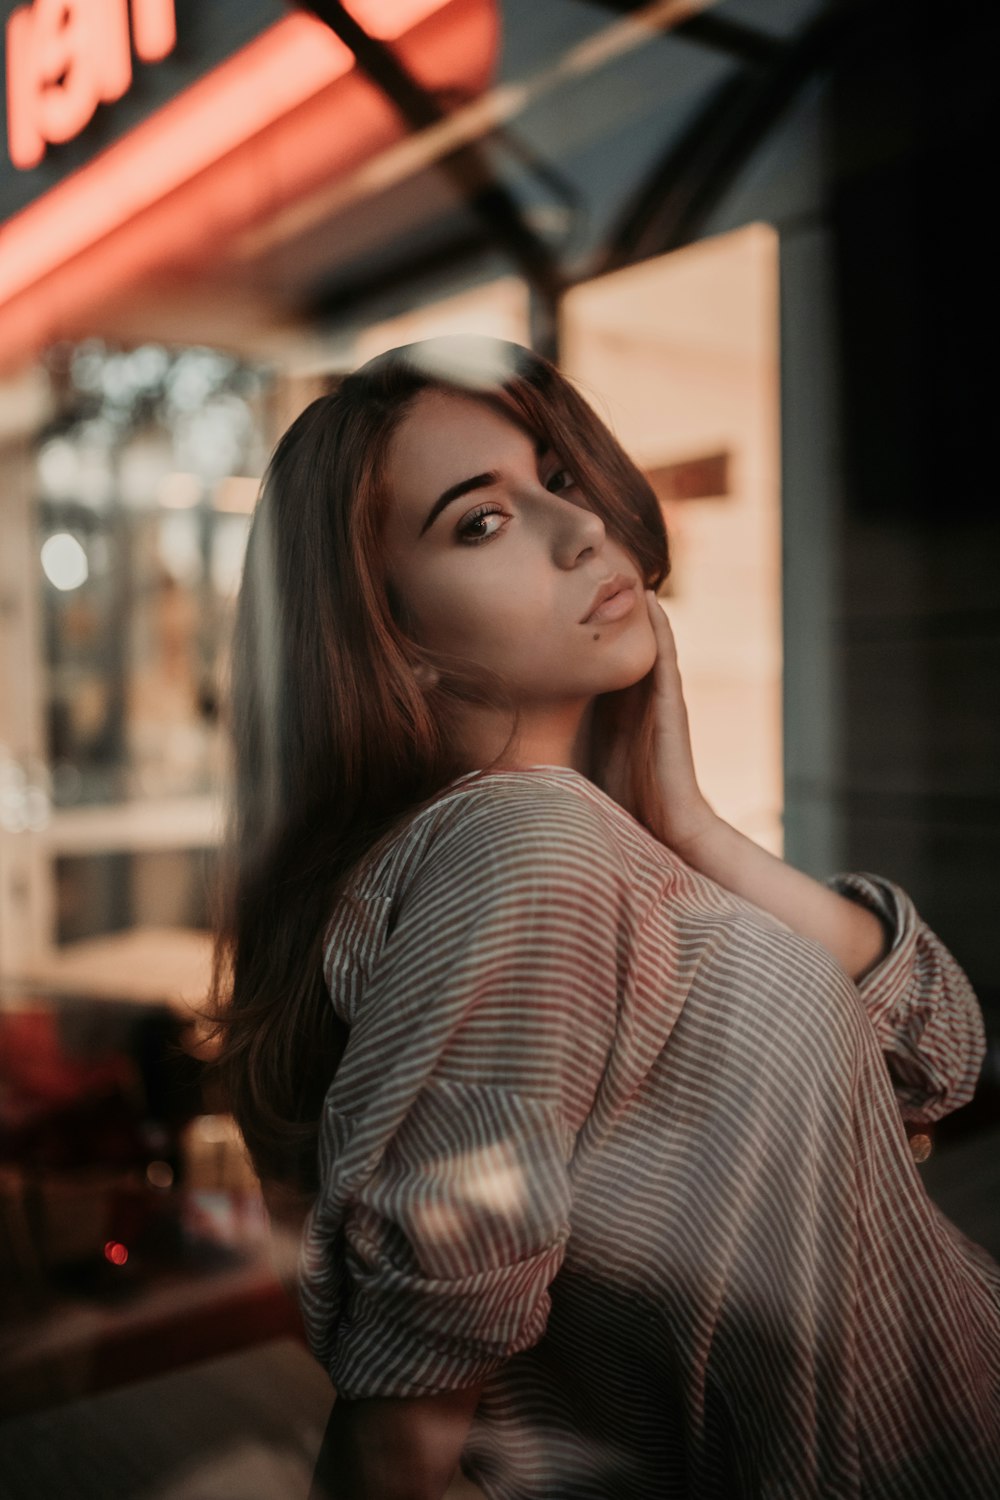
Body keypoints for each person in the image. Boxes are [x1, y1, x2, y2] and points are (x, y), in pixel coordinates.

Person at [209, 335, 1000, 1499]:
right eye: (478, 522)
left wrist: (696, 831)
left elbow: (938, 1051)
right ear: (401, 646)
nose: (578, 531)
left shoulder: (587, 849)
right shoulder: (524, 851)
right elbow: (401, 1435)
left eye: (557, 479)